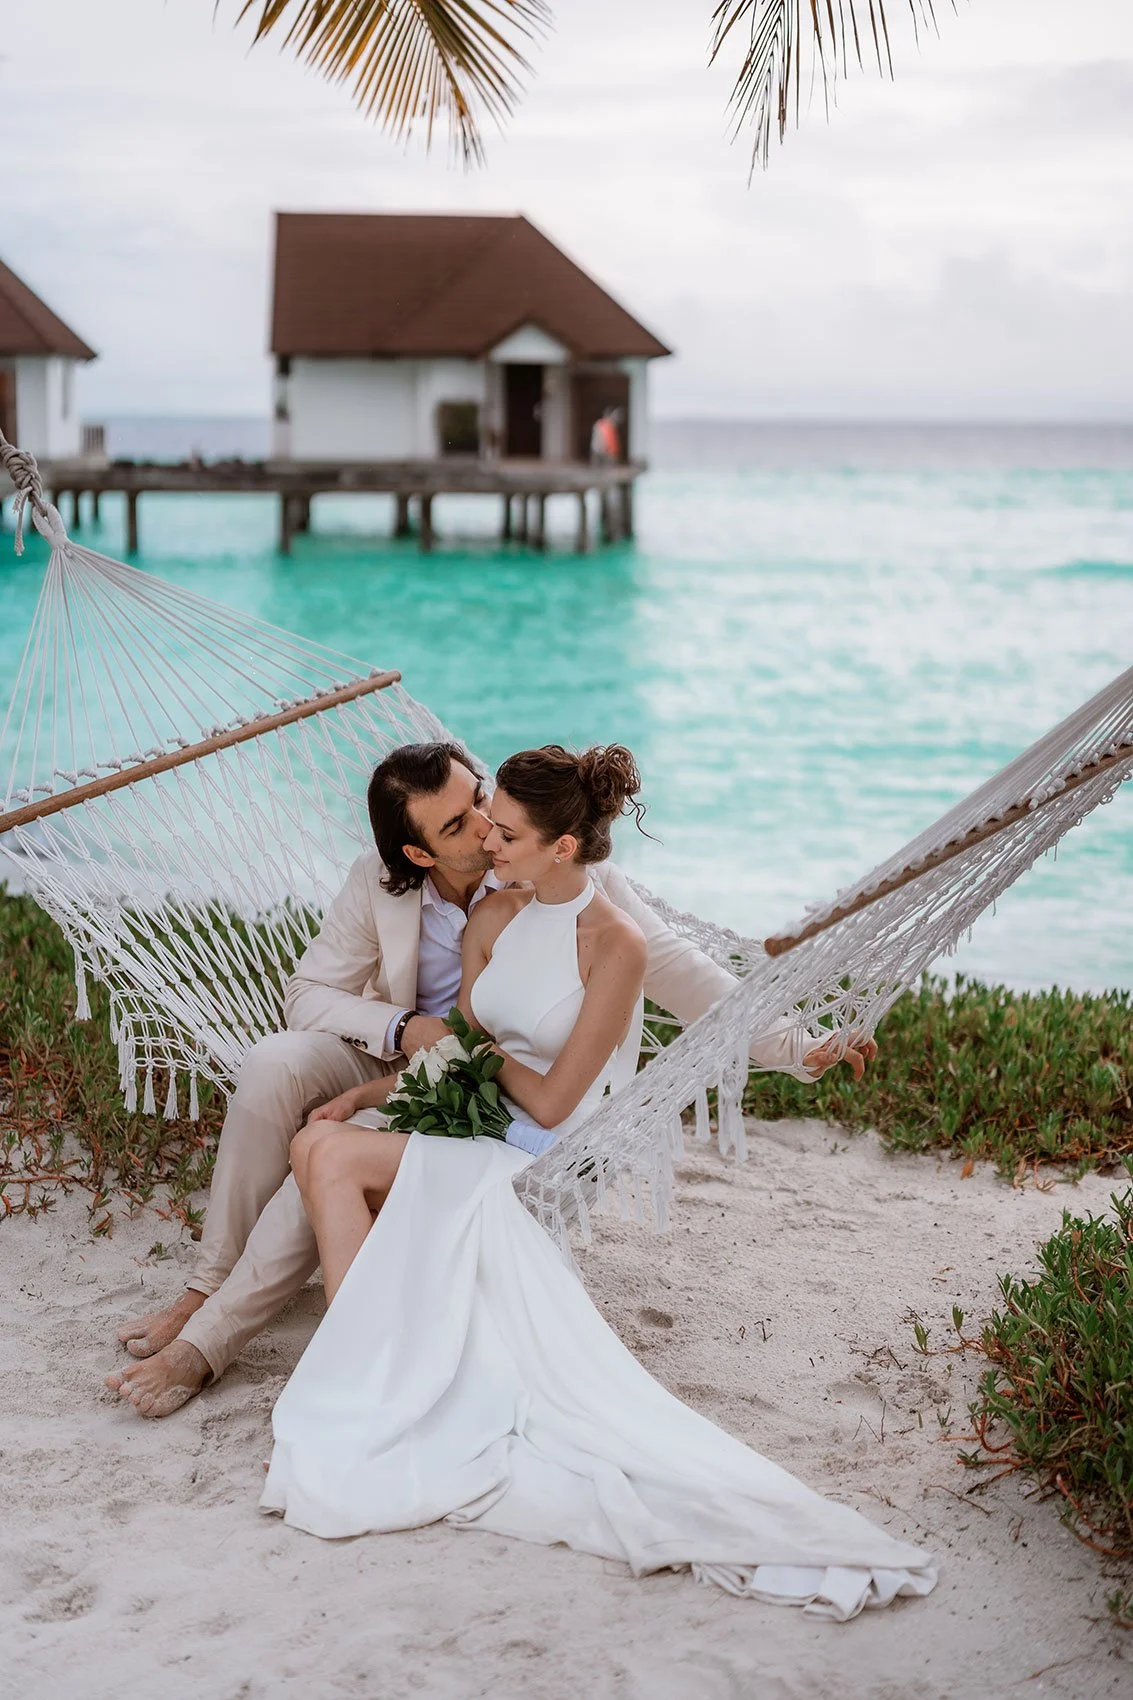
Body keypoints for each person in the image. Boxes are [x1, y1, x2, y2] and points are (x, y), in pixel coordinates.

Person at [261, 745, 935, 1620]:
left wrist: (799, 1049)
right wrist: (363, 1091)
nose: (486, 847)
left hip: (545, 1143)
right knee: (321, 1142)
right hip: (483, 1112)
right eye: (479, 824)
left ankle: (369, 1367)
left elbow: (562, 1082)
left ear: (564, 846)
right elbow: (465, 1045)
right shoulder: (494, 919)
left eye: (501, 831)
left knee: (332, 1157)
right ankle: (373, 1357)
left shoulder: (614, 938)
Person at [107, 742, 875, 1418]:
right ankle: (211, 1287)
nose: (482, 826)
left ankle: (213, 1339)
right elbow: (308, 995)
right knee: (275, 1064)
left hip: (491, 1089)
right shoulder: (377, 882)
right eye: (457, 824)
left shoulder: (566, 877)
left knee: (334, 1149)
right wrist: (406, 1034)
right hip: (403, 1049)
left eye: (480, 801)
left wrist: (791, 1043)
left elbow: (681, 972)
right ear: (417, 854)